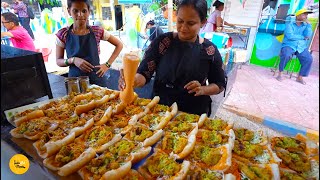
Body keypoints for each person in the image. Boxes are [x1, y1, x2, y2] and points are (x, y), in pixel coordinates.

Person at [119, 0, 226, 116]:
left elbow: (219, 84)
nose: (183, 27)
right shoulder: (162, 42)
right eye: (180, 21)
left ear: (203, 22)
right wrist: (131, 80)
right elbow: (145, 74)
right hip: (159, 110)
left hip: (193, 114)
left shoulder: (210, 50)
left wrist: (203, 89)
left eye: (190, 23)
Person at [55, 0, 123, 87]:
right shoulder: (63, 34)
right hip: (75, 83)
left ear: (89, 12)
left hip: (97, 80)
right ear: (69, 11)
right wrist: (73, 60)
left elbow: (119, 45)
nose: (80, 15)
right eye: (75, 11)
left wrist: (107, 64)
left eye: (84, 11)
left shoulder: (97, 31)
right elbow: (58, 61)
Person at [276, 8, 313, 85]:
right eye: (304, 14)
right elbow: (290, 36)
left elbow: (308, 36)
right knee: (286, 55)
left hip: (301, 47)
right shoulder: (290, 23)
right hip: (289, 45)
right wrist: (302, 37)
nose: (305, 16)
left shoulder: (305, 25)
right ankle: (280, 73)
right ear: (298, 15)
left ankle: (299, 77)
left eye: (306, 15)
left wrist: (309, 26)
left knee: (309, 59)